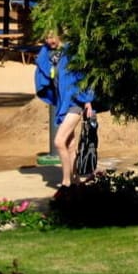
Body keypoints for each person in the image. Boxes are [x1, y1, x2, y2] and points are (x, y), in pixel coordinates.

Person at [34, 31, 95, 189]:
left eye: (52, 37)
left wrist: (88, 99)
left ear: (59, 35)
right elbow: (42, 65)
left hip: (75, 102)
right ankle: (76, 181)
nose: (49, 41)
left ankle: (66, 182)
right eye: (46, 38)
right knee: (70, 144)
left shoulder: (70, 52)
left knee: (59, 141)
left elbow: (83, 74)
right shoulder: (51, 55)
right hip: (63, 103)